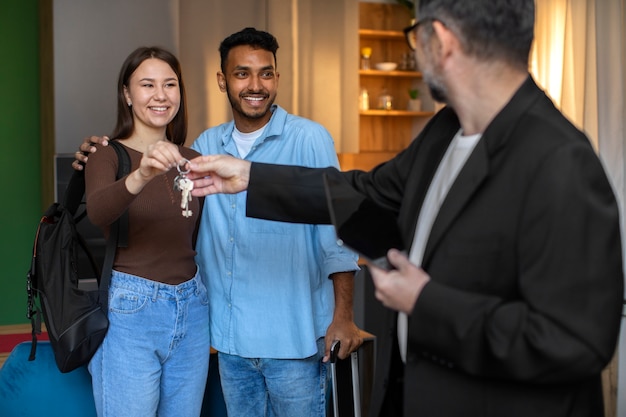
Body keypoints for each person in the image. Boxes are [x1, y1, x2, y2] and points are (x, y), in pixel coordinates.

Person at [185, 1, 625, 416]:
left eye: (416, 38)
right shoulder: (445, 132)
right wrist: (252, 177)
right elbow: (362, 192)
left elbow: (576, 342)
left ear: (442, 39)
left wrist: (425, 303)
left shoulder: (560, 159)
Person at [74, 28, 361, 417]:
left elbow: (336, 233)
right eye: (242, 73)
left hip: (289, 338)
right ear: (222, 81)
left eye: (266, 73)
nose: (255, 85)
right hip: (225, 340)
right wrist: (105, 159)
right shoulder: (205, 146)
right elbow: (109, 207)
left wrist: (343, 316)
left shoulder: (303, 139)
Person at [84, 46, 209, 417]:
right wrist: (143, 173)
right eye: (147, 84)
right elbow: (98, 212)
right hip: (131, 309)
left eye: (170, 84)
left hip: (193, 306)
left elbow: (196, 236)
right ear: (127, 94)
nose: (161, 95)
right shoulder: (106, 154)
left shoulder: (193, 159)